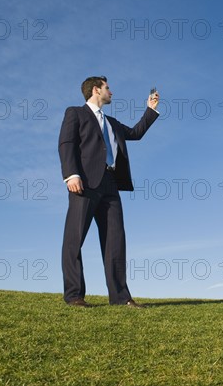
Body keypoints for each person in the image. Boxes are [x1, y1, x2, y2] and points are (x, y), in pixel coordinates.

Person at [58, 76, 159, 308]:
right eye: (107, 88)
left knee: (115, 241)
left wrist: (150, 110)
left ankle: (121, 298)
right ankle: (74, 295)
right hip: (84, 183)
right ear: (96, 90)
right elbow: (66, 144)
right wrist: (71, 174)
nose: (111, 92)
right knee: (74, 240)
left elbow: (135, 133)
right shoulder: (75, 113)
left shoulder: (111, 122)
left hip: (111, 184)